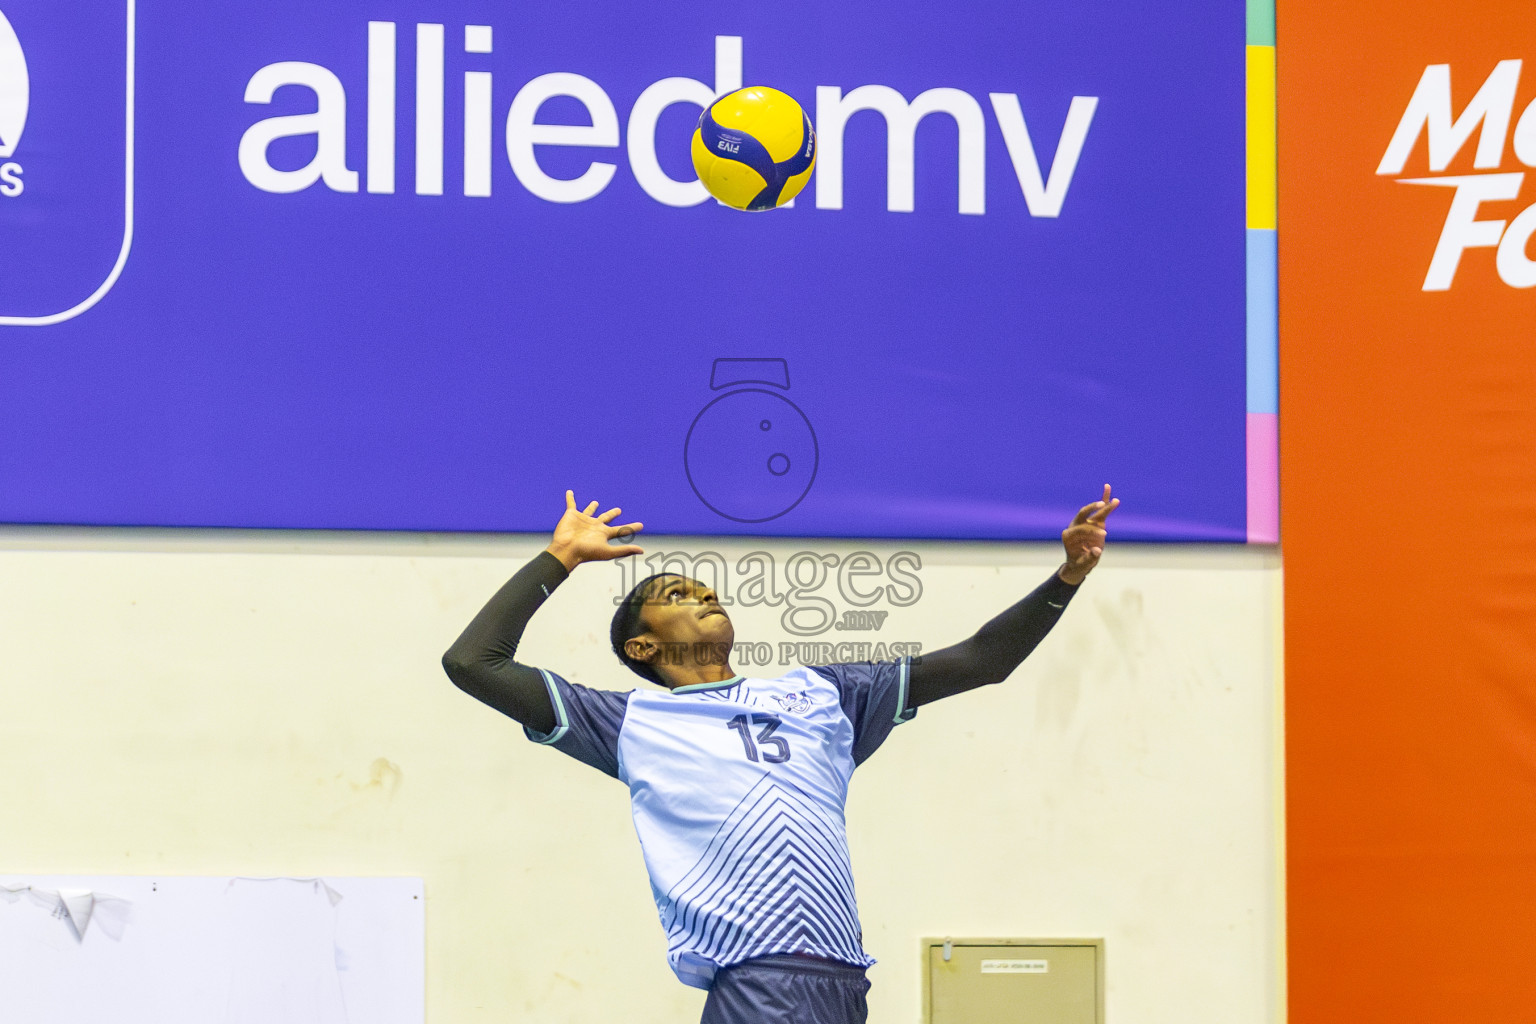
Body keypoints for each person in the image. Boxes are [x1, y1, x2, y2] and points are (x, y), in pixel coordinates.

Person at [442, 487, 1119, 1024]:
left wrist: (1066, 576)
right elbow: (473, 662)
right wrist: (560, 558)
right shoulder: (627, 721)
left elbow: (984, 659)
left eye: (707, 590)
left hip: (845, 979)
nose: (704, 596)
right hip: (759, 975)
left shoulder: (823, 694)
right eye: (676, 596)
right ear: (642, 648)